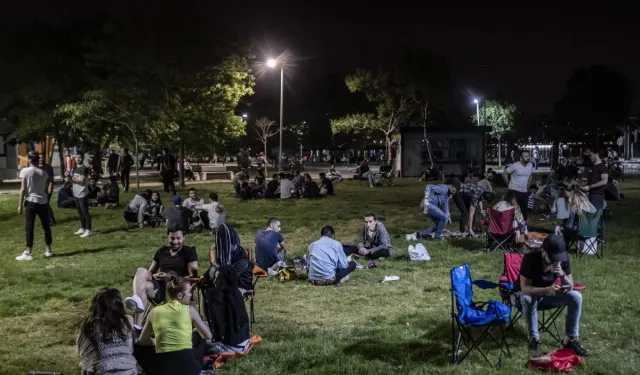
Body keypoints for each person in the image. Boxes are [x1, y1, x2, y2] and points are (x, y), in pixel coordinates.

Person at [517, 234, 588, 358]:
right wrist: (546, 290)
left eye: (559, 257)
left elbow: (570, 286)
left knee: (576, 296)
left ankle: (570, 339)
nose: (557, 261)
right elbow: (524, 288)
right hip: (529, 295)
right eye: (553, 257)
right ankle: (534, 339)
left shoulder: (562, 260)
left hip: (548, 295)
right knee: (528, 299)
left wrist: (562, 275)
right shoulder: (531, 259)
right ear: (543, 251)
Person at [138, 274, 212, 375]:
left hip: (162, 369)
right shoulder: (190, 310)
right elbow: (208, 335)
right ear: (180, 296)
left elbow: (142, 341)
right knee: (199, 337)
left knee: (139, 347)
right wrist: (195, 331)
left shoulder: (154, 312)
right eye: (189, 292)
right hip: (190, 369)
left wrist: (156, 341)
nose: (191, 295)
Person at [125, 227, 198, 326]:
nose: (175, 241)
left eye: (178, 238)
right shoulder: (162, 251)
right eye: (172, 238)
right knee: (141, 271)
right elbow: (150, 272)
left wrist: (170, 276)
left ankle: (137, 320)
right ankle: (137, 320)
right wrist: (156, 275)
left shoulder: (189, 252)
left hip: (176, 288)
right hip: (160, 286)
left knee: (144, 287)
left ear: (184, 238)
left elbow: (193, 275)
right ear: (168, 237)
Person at [77, 287, 137, 375]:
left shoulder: (90, 324)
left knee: (87, 363)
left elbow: (82, 350)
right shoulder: (127, 321)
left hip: (102, 371)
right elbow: (130, 348)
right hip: (129, 371)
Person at [16, 152, 53, 261]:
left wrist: (20, 205)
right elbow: (46, 189)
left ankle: (28, 252)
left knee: (29, 227)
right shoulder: (44, 172)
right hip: (43, 202)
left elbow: (23, 189)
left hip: (31, 201)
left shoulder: (25, 171)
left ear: (29, 160)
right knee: (46, 226)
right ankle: (48, 249)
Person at [210, 223, 252, 291]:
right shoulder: (222, 253)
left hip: (240, 283)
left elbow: (230, 275)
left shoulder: (242, 259)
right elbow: (217, 266)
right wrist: (205, 276)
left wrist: (216, 273)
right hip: (225, 283)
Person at [503, 149, 534, 220]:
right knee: (512, 210)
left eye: (529, 156)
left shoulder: (530, 165)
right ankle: (511, 226)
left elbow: (530, 175)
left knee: (524, 211)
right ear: (521, 158)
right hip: (514, 191)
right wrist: (508, 184)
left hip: (524, 191)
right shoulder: (515, 165)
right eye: (526, 156)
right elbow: (504, 173)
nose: (528, 157)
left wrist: (528, 185)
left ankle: (523, 227)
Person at [72, 151, 93, 237]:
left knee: (85, 212)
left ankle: (88, 230)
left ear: (83, 158)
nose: (78, 159)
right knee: (80, 212)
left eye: (80, 157)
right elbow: (74, 180)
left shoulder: (84, 168)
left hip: (82, 193)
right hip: (76, 193)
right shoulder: (75, 168)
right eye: (76, 157)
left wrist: (70, 178)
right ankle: (83, 228)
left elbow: (81, 181)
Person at [38, 152, 56, 226]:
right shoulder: (36, 167)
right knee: (42, 205)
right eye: (39, 158)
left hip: (47, 188)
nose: (41, 159)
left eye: (42, 157)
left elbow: (51, 180)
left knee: (46, 204)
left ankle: (51, 220)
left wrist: (49, 188)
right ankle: (45, 220)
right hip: (39, 188)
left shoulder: (48, 167)